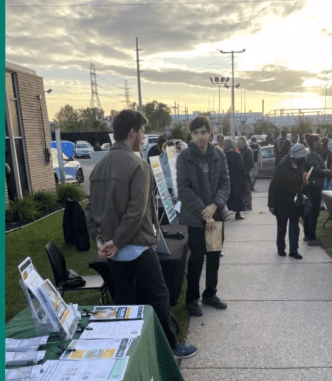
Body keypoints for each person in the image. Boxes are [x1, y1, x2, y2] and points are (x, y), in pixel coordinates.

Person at [87, 109, 197, 359]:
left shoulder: (99, 167)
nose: (144, 137)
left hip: (114, 248)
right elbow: (136, 212)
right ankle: (171, 346)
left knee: (124, 298)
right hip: (135, 245)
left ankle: (126, 348)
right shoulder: (138, 165)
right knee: (159, 294)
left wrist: (101, 240)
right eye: (143, 131)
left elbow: (90, 210)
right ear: (133, 133)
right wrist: (115, 242)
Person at [176, 115, 230, 316]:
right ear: (191, 134)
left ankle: (210, 294)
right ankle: (192, 299)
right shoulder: (184, 157)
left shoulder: (219, 155)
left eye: (204, 132)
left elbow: (225, 184)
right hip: (194, 219)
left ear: (210, 133)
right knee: (196, 259)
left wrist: (215, 206)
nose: (200, 136)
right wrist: (204, 212)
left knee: (214, 257)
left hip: (215, 217)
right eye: (196, 132)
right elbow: (183, 189)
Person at [268, 143, 309, 259]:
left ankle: (294, 250)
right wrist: (271, 204)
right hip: (282, 202)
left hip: (295, 202)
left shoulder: (300, 165)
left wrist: (303, 183)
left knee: (295, 226)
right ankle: (281, 248)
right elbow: (273, 186)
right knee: (282, 226)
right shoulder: (282, 166)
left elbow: (299, 182)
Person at [301, 134, 330, 246]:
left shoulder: (312, 154)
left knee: (309, 211)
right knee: (314, 211)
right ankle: (311, 237)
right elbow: (316, 170)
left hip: (312, 186)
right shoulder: (312, 156)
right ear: (315, 143)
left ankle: (308, 235)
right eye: (320, 142)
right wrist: (327, 172)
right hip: (314, 187)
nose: (322, 144)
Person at [225, 138, 246, 220]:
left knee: (228, 197)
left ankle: (226, 214)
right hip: (237, 179)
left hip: (227, 178)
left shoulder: (224, 155)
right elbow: (242, 167)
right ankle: (238, 214)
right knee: (238, 197)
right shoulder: (237, 155)